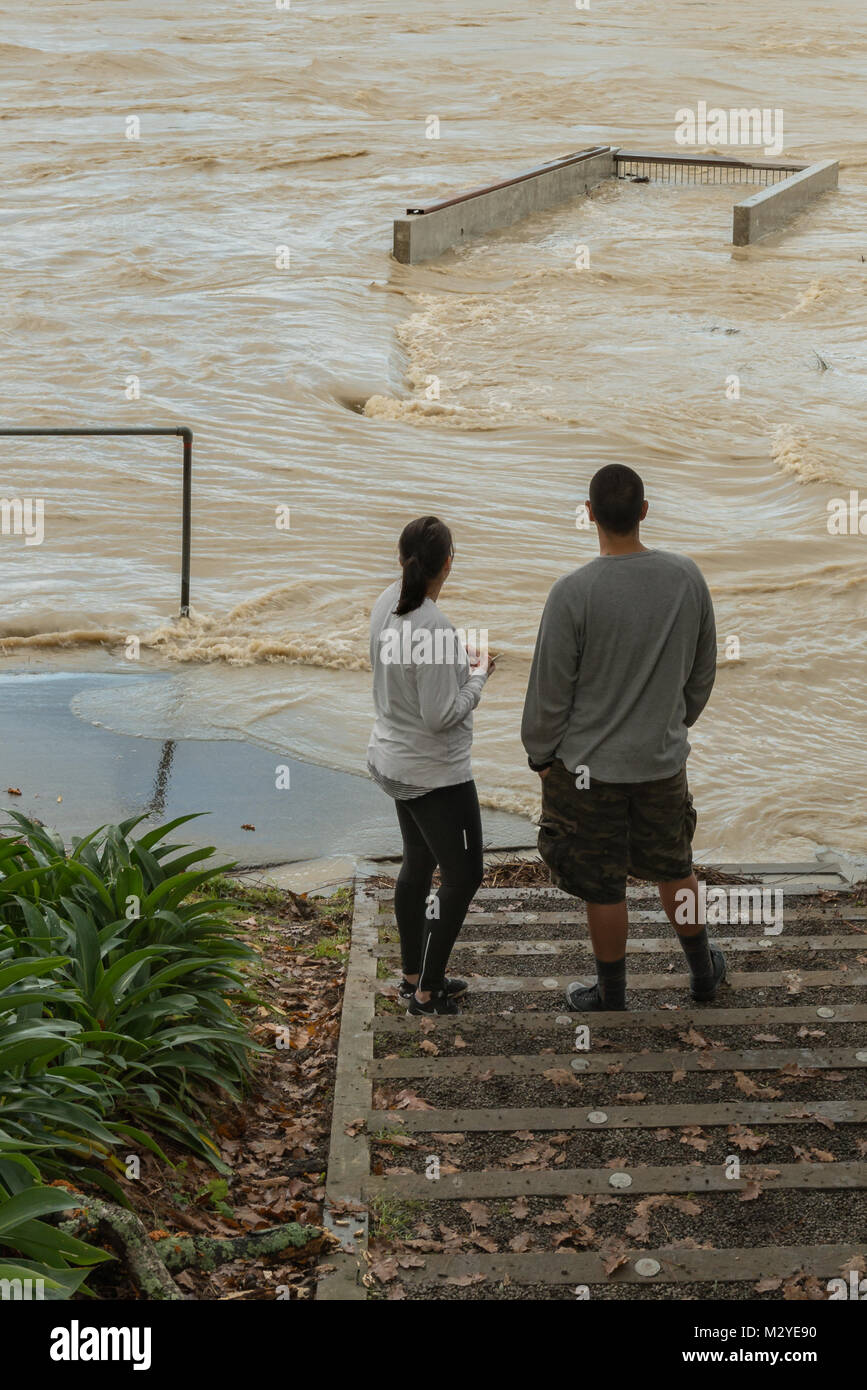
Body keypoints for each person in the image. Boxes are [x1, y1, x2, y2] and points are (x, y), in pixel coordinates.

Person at [521, 464, 724, 1012]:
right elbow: (703, 670)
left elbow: (549, 691)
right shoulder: (686, 577)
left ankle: (611, 995)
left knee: (603, 887)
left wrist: (541, 756)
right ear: (644, 511)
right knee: (675, 868)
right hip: (659, 761)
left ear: (589, 515)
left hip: (589, 770)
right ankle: (703, 975)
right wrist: (674, 722)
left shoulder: (572, 593)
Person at [367, 516, 495, 1016]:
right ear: (448, 564)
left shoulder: (386, 601)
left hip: (392, 759)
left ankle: (413, 975)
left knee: (418, 861)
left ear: (402, 559)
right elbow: (440, 715)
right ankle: (428, 993)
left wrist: (451, 661)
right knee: (464, 876)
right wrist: (478, 676)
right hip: (433, 775)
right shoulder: (435, 626)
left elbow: (399, 666)